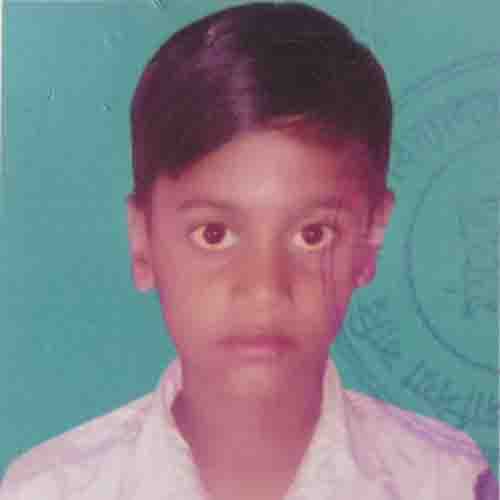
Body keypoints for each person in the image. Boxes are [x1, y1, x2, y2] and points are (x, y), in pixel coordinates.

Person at [0, 2, 496, 499]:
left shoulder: (447, 482)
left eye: (313, 235)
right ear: (142, 240)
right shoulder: (46, 491)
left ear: (370, 237)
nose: (264, 290)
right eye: (214, 234)